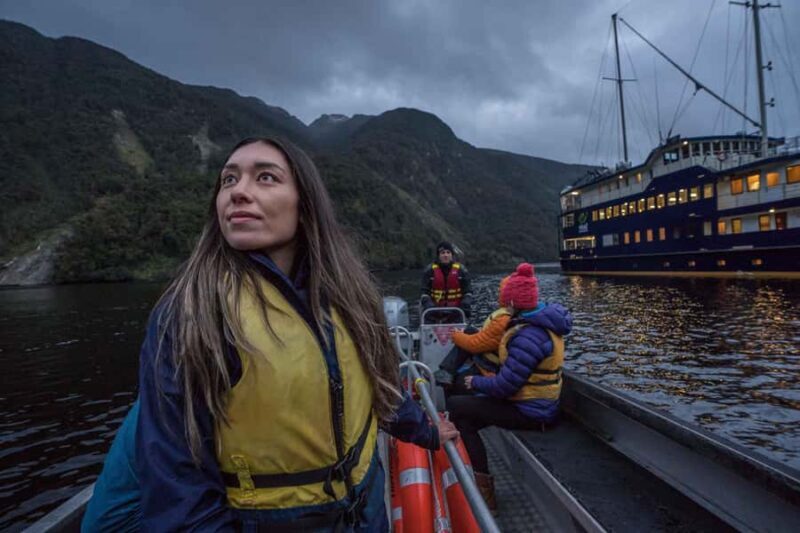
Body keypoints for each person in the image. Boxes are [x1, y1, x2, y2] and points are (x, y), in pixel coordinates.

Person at [82, 137, 458, 532]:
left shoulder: (351, 296)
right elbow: (177, 477)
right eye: (228, 180)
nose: (238, 192)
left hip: (364, 513)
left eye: (265, 177)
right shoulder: (192, 312)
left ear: (305, 204)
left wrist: (427, 430)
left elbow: (377, 388)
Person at [446, 263, 573, 513]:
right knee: (464, 411)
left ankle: (484, 497)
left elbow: (506, 386)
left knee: (458, 408)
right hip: (532, 402)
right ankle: (480, 487)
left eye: (506, 302)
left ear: (513, 302)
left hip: (533, 412)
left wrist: (477, 382)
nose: (503, 306)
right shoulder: (539, 323)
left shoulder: (528, 336)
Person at [432, 275, 512, 387]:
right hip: (492, 357)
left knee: (456, 384)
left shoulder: (504, 319)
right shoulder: (511, 314)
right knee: (469, 331)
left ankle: (448, 380)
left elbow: (475, 344)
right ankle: (446, 372)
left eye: (500, 291)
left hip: (490, 368)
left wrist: (456, 336)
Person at [420, 241, 473, 323]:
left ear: (452, 255)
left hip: (457, 312)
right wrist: (428, 304)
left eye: (448, 252)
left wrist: (466, 302)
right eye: (442, 253)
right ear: (438, 255)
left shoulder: (461, 270)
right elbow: (424, 292)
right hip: (434, 312)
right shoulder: (429, 271)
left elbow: (468, 291)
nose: (445, 255)